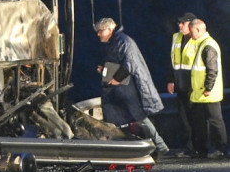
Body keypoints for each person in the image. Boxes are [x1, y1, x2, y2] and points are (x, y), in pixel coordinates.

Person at [95, 18, 170, 156]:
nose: (98, 34)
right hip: (117, 88)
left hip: (125, 88)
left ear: (109, 29)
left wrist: (118, 78)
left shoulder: (123, 41)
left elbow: (130, 62)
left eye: (100, 31)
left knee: (138, 117)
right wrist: (105, 69)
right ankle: (120, 149)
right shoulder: (115, 42)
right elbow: (117, 63)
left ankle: (160, 145)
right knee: (120, 119)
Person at [188, 19, 227, 159]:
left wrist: (208, 87)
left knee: (215, 121)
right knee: (200, 121)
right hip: (201, 92)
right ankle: (203, 148)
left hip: (207, 93)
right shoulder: (202, 44)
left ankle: (221, 148)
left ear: (198, 29)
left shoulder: (208, 45)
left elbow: (212, 69)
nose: (190, 34)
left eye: (191, 31)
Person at [165, 13, 199, 157]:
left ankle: (198, 147)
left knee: (195, 118)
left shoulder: (198, 40)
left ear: (191, 25)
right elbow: (172, 61)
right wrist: (171, 80)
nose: (179, 25)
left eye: (183, 23)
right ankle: (189, 147)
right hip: (180, 84)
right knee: (184, 118)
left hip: (194, 85)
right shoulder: (176, 37)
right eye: (179, 23)